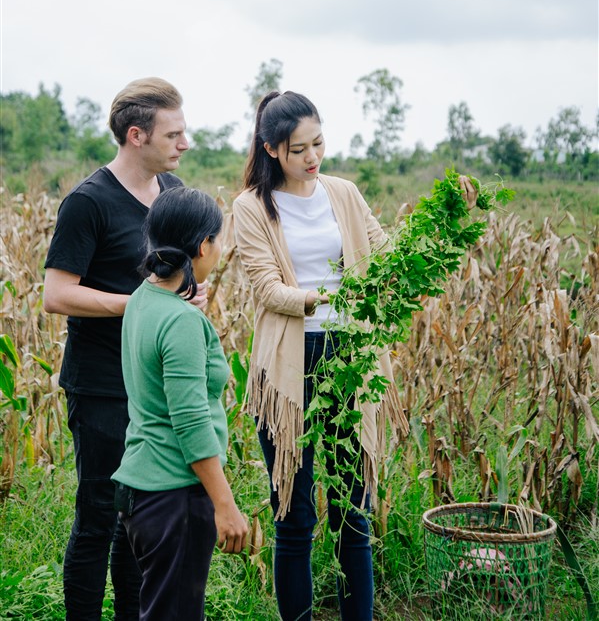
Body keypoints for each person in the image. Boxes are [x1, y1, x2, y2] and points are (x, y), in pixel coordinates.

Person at [233, 91, 476, 621]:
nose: (313, 157)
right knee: (293, 516)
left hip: (351, 358)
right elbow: (267, 288)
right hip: (290, 366)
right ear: (273, 149)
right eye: (299, 149)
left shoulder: (342, 192)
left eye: (318, 143)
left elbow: (385, 252)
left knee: (353, 514)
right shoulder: (251, 207)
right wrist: (322, 298)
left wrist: (439, 226)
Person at [43, 77, 204, 621]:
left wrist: (187, 296)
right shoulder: (88, 202)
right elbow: (57, 293)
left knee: (142, 517)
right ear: (136, 135)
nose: (185, 144)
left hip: (153, 386)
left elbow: (176, 278)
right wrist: (135, 305)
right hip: (101, 385)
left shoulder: (175, 194)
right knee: (97, 519)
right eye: (174, 134)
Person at [112, 186, 248, 621]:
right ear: (203, 246)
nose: (221, 249)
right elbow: (190, 423)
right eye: (219, 239)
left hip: (138, 491)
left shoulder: (142, 300)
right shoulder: (182, 321)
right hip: (175, 498)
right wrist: (225, 505)